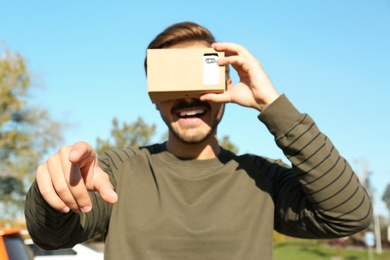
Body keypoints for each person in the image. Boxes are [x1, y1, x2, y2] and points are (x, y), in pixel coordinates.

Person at [25, 21, 372, 259]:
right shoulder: (118, 172)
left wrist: (272, 104)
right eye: (172, 81)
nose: (189, 96)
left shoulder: (262, 178)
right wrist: (52, 192)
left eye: (201, 77)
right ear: (154, 96)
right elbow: (50, 235)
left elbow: (350, 215)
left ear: (225, 85)